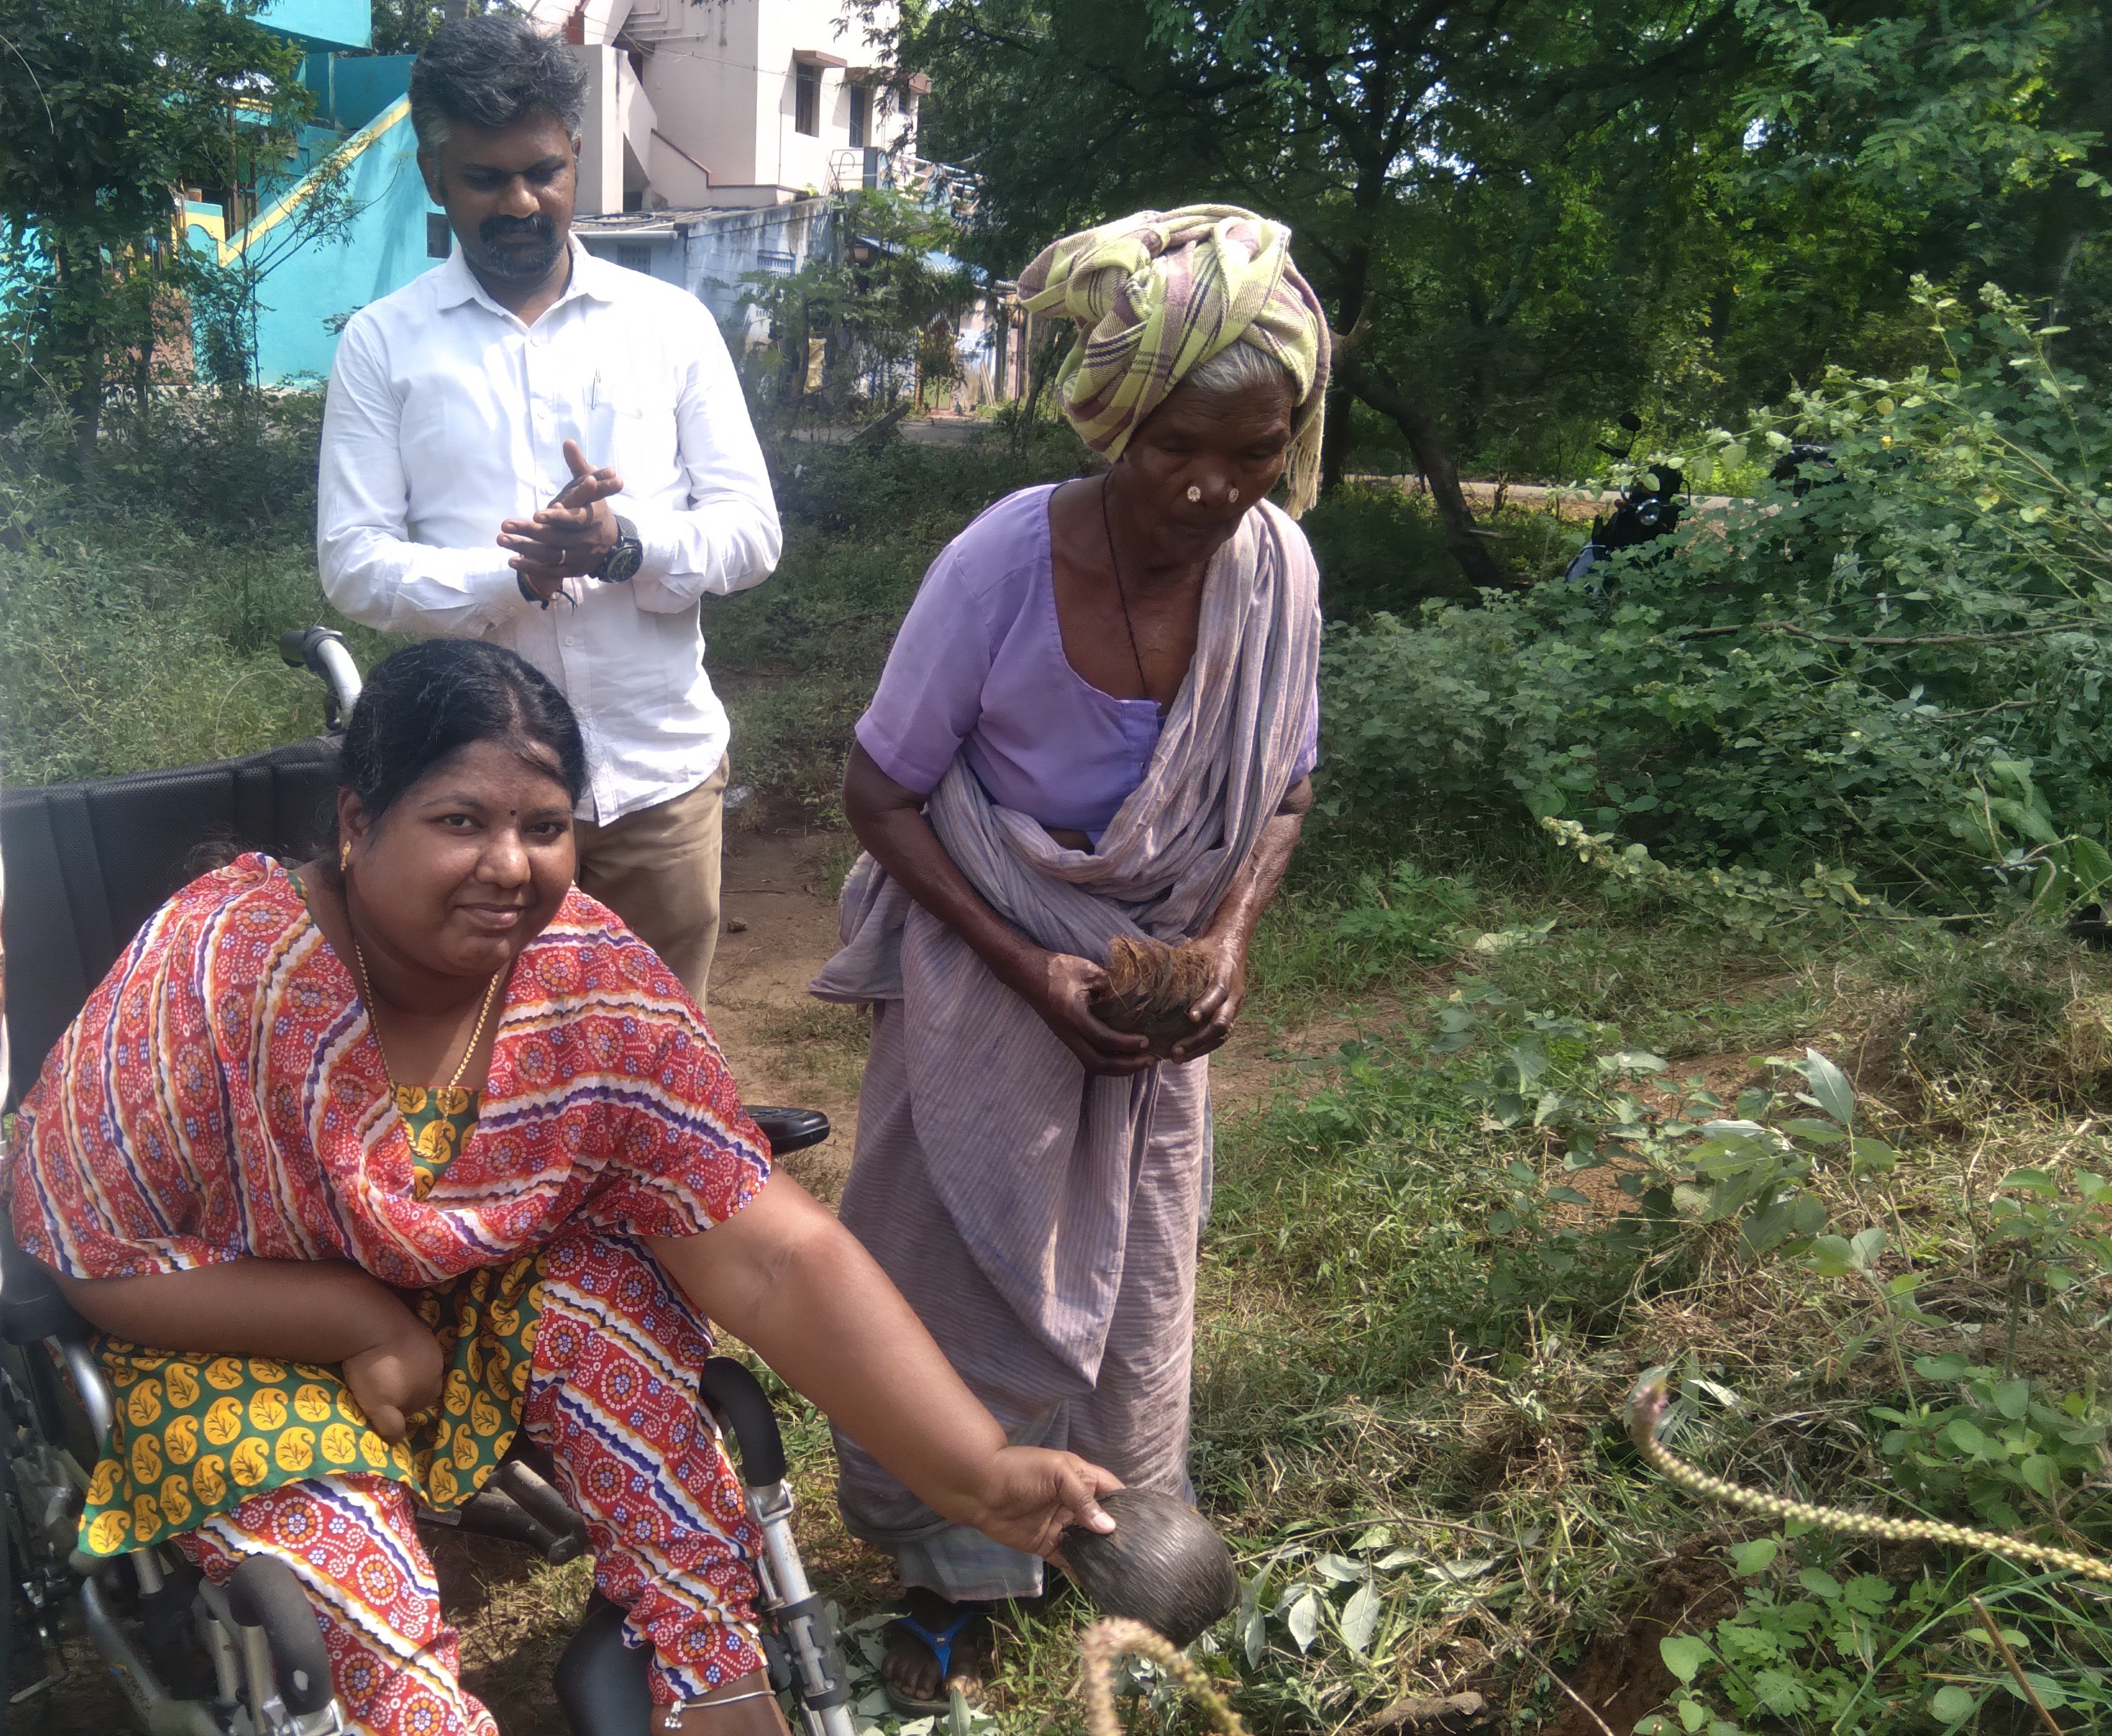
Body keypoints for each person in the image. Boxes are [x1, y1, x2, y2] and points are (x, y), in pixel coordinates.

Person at [4, 640, 1117, 1736]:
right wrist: (351, 1316)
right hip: (235, 1328)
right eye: (459, 822)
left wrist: (976, 1473)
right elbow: (96, 1254)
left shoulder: (589, 981)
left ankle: (713, 1683)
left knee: (614, 1308)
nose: (511, 865)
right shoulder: (216, 968)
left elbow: (770, 1253)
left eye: (545, 826)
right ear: (356, 825)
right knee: (333, 1560)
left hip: (485, 1296)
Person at [811, 206, 1329, 1710]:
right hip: (987, 966)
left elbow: (1282, 784)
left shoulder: (1276, 574)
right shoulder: (997, 564)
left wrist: (1222, 941)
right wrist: (1028, 966)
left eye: (1255, 452)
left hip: (1152, 1006)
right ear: (1118, 421)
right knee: (952, 1259)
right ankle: (943, 1572)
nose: (1212, 486)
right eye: (1179, 445)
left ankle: (1099, 1535)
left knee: (1137, 1272)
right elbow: (879, 789)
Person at [317, 14, 776, 1010]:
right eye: (486, 179)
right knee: (482, 1064)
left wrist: (623, 547)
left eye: (545, 171)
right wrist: (510, 578)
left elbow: (750, 531)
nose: (522, 201)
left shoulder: (669, 327)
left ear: (577, 161)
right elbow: (352, 563)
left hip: (656, 782)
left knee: (658, 1060)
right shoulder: (382, 346)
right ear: (436, 179)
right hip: (472, 812)